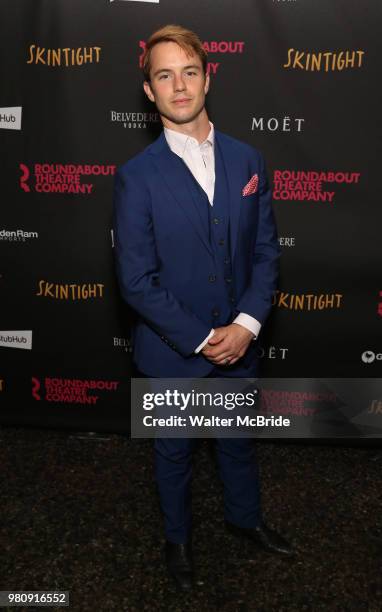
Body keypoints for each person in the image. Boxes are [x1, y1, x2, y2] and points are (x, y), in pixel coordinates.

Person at [113, 24, 293, 591]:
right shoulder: (135, 178)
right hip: (172, 351)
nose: (179, 85)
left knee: (238, 442)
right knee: (174, 454)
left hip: (240, 341)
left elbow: (266, 251)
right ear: (149, 92)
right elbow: (136, 280)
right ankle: (179, 541)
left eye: (189, 71)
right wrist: (201, 338)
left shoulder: (249, 161)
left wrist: (244, 325)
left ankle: (245, 520)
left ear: (208, 77)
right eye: (164, 75)